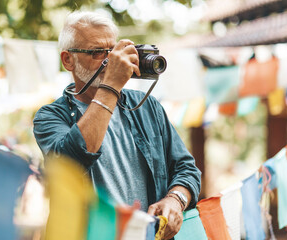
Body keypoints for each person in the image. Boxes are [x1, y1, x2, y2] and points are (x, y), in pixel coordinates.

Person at [33, 11, 201, 239]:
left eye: (112, 51)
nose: (110, 60)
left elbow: (186, 168)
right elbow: (71, 162)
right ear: (67, 60)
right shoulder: (50, 117)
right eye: (96, 53)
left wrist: (175, 199)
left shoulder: (147, 106)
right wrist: (111, 85)